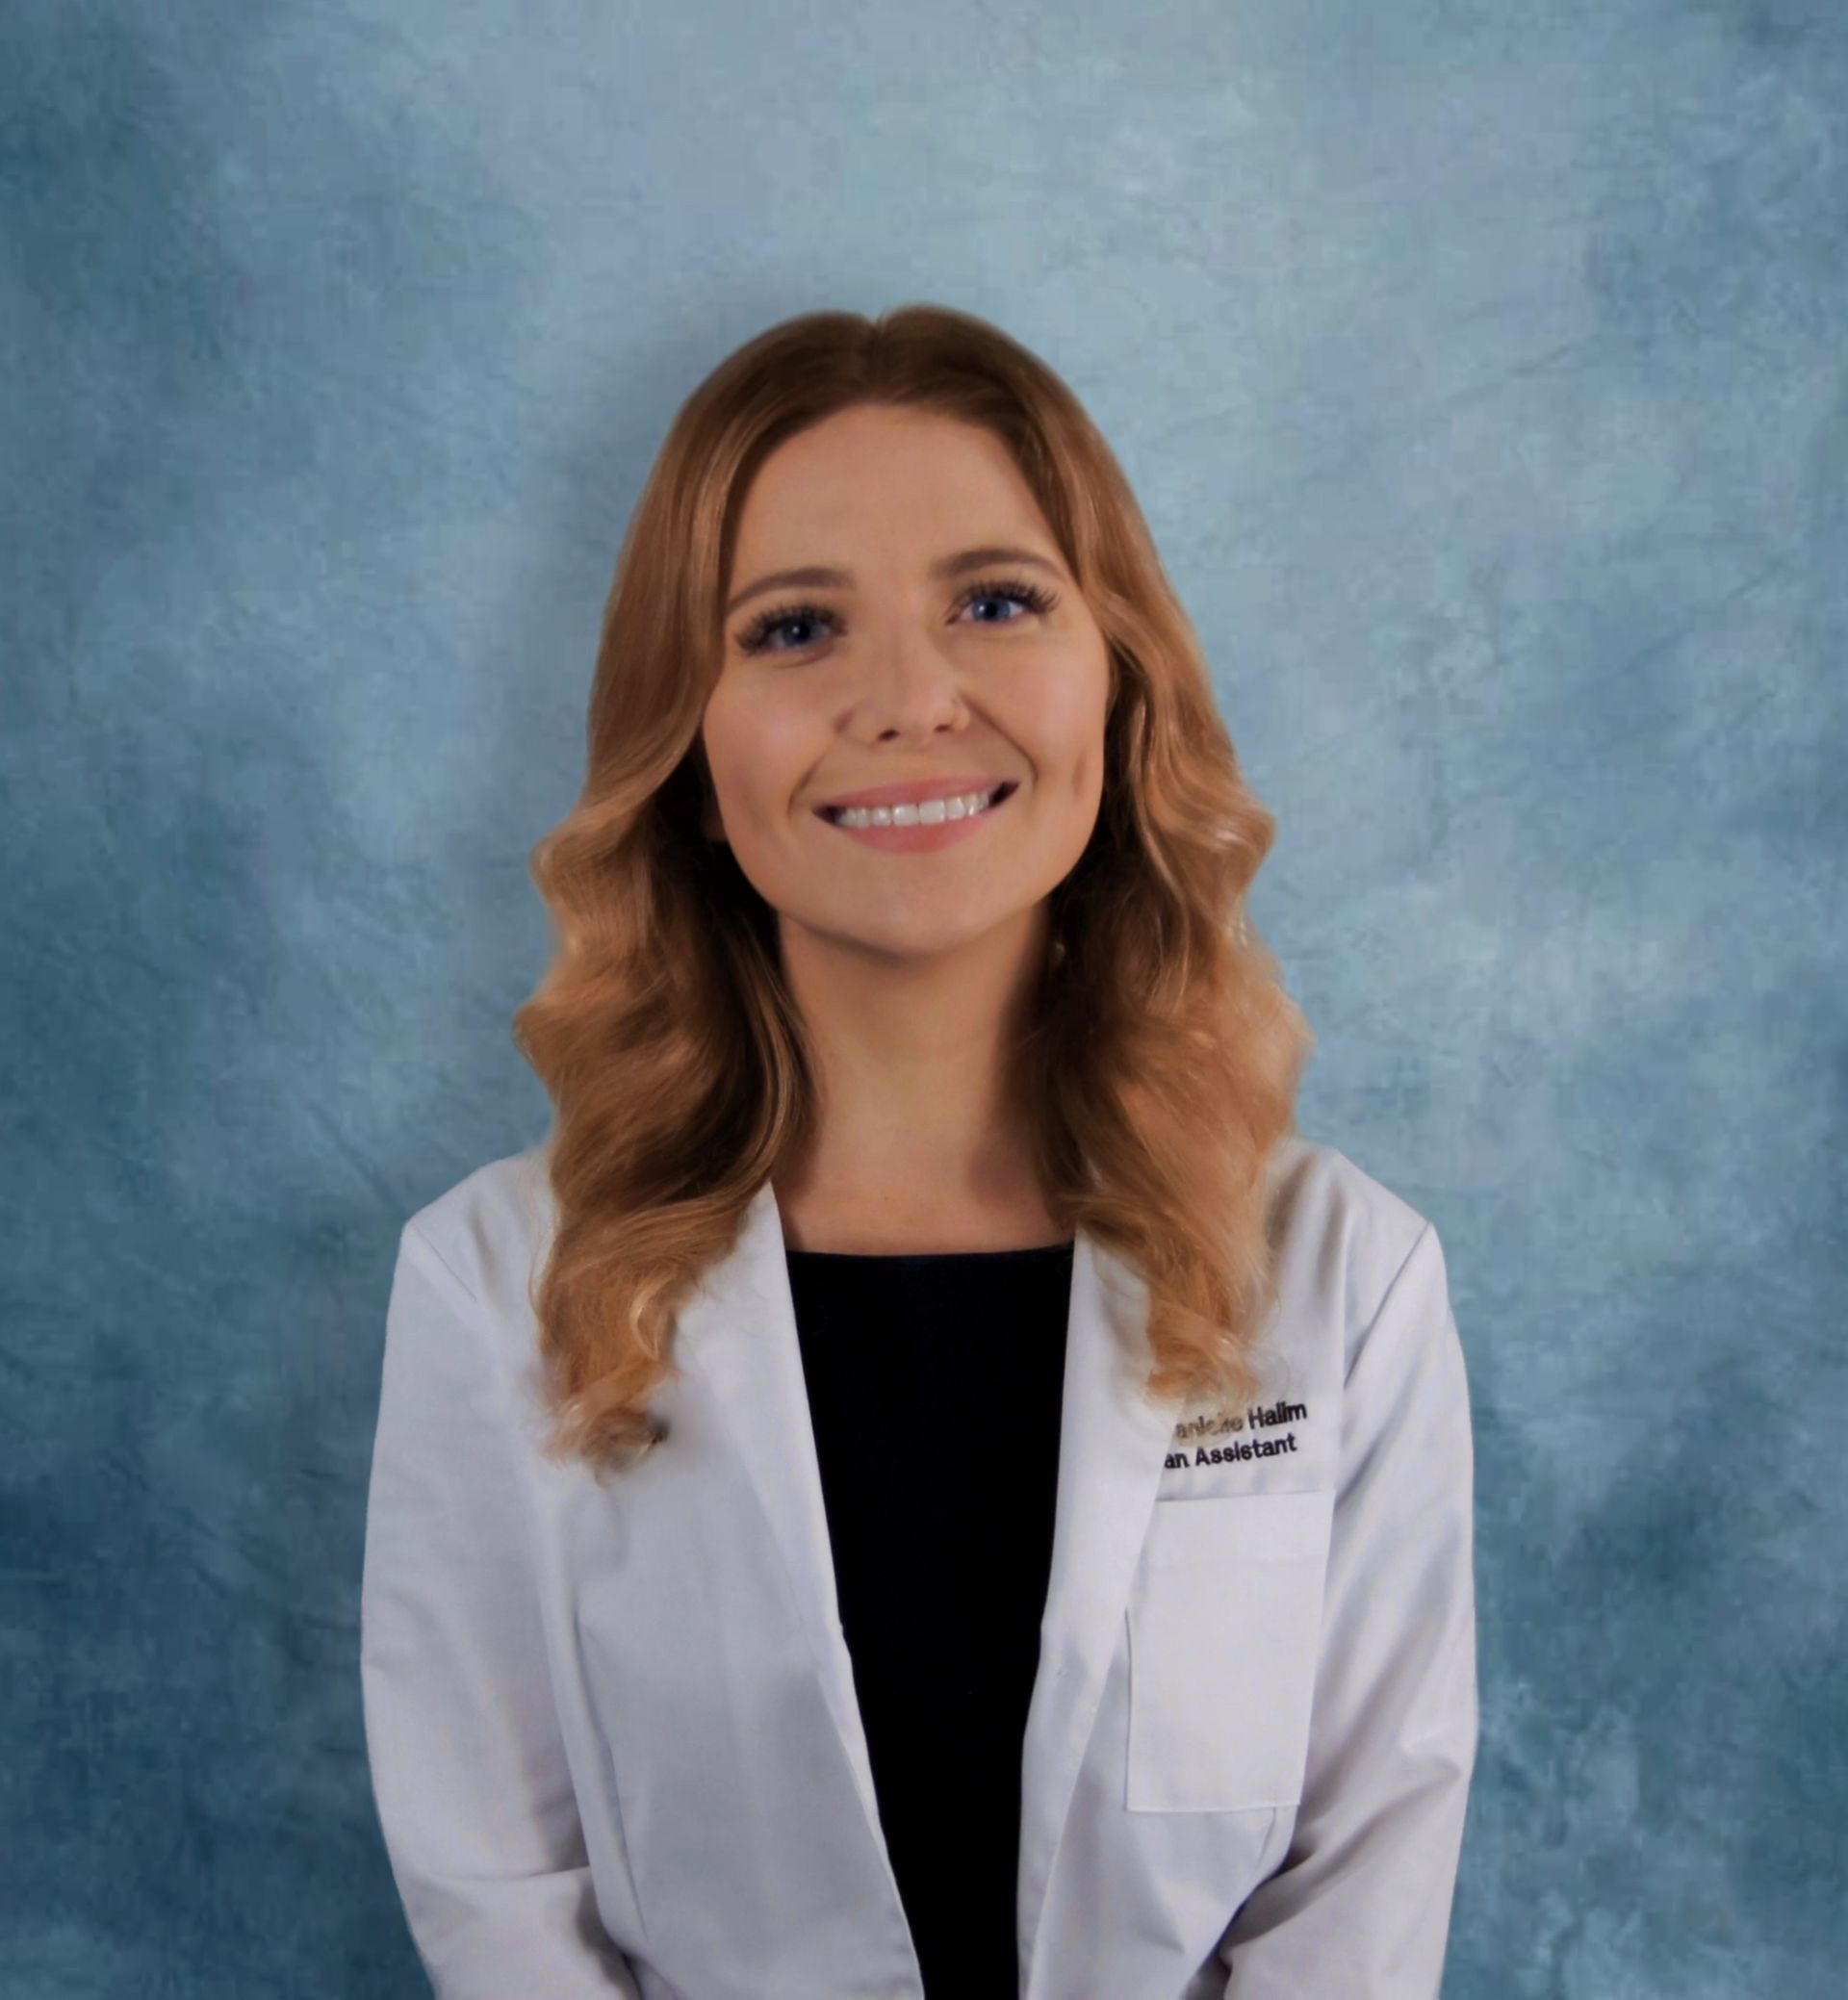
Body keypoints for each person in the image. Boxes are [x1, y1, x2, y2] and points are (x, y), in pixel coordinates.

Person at [360, 303, 1478, 2000]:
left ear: (1120, 681)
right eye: (796, 626)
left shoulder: (1348, 1283)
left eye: (996, 601)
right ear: (689, 746)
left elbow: (1360, 1894)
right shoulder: (495, 1288)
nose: (906, 700)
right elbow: (502, 1896)